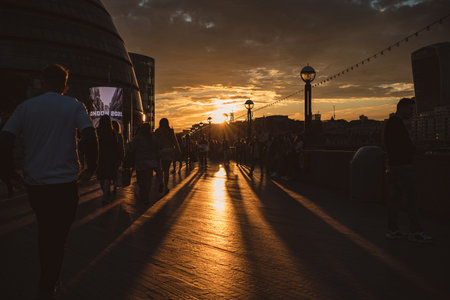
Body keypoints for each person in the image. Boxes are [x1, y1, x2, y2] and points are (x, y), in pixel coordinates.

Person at [0, 64, 98, 299]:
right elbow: (89, 137)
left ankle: (48, 278)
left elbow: (5, 138)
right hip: (65, 183)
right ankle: (50, 279)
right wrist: (90, 169)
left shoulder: (25, 108)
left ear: (42, 83)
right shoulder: (75, 106)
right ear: (65, 85)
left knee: (46, 230)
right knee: (59, 234)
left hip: (36, 184)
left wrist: (9, 173)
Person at [382, 97, 432, 243]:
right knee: (411, 199)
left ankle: (393, 230)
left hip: (394, 165)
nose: (412, 112)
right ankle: (416, 232)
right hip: (403, 166)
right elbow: (404, 146)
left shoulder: (390, 123)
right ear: (402, 107)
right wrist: (418, 150)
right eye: (410, 109)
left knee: (395, 200)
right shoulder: (396, 123)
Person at [127, 123, 159, 204]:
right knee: (148, 180)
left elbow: (131, 148)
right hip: (150, 162)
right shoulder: (153, 139)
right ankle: (146, 196)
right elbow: (157, 149)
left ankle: (143, 194)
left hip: (140, 162)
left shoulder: (137, 138)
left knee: (141, 180)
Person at [96, 115, 121, 204]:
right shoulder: (113, 132)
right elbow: (116, 146)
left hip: (100, 157)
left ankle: (105, 193)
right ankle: (105, 195)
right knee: (107, 177)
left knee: (101, 177)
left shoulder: (97, 132)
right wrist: (118, 158)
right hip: (111, 157)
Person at [155, 118, 180, 194]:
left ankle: (160, 183)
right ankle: (166, 187)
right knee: (166, 170)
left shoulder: (157, 131)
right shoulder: (170, 131)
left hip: (160, 151)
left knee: (159, 170)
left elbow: (155, 141)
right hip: (169, 151)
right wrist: (178, 150)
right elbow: (175, 142)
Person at [112, 120, 125, 193]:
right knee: (116, 171)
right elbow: (121, 147)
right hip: (117, 156)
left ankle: (110, 184)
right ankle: (114, 184)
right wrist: (122, 157)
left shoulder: (109, 135)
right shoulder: (119, 136)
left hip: (111, 156)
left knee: (111, 170)